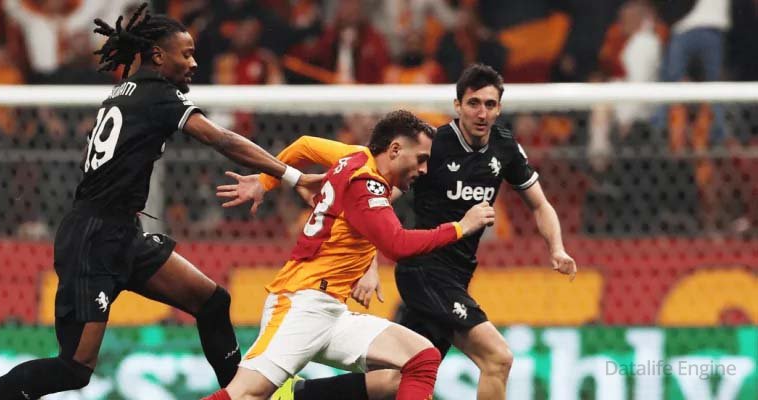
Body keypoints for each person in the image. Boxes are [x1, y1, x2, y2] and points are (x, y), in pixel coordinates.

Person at [0, 4, 319, 400]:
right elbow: (221, 139)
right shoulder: (157, 94)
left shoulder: (123, 92)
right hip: (95, 239)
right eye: (186, 54)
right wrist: (292, 175)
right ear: (158, 55)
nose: (194, 63)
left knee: (212, 301)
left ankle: (244, 395)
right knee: (74, 368)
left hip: (122, 233)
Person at [221, 64, 577, 400]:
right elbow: (375, 210)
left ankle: (296, 394)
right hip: (424, 272)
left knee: (399, 376)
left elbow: (540, 204)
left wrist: (557, 249)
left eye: (490, 104)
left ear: (500, 108)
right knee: (497, 358)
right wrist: (371, 264)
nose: (481, 113)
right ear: (457, 106)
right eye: (473, 103)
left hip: (453, 275)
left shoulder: (505, 147)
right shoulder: (430, 147)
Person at [204, 110, 497, 400]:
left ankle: (293, 396)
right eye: (421, 159)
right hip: (301, 305)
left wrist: (266, 181)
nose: (424, 169)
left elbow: (304, 145)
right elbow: (397, 244)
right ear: (395, 149)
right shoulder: (366, 185)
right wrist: (460, 227)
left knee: (421, 357)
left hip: (331, 311)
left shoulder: (356, 156)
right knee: (244, 394)